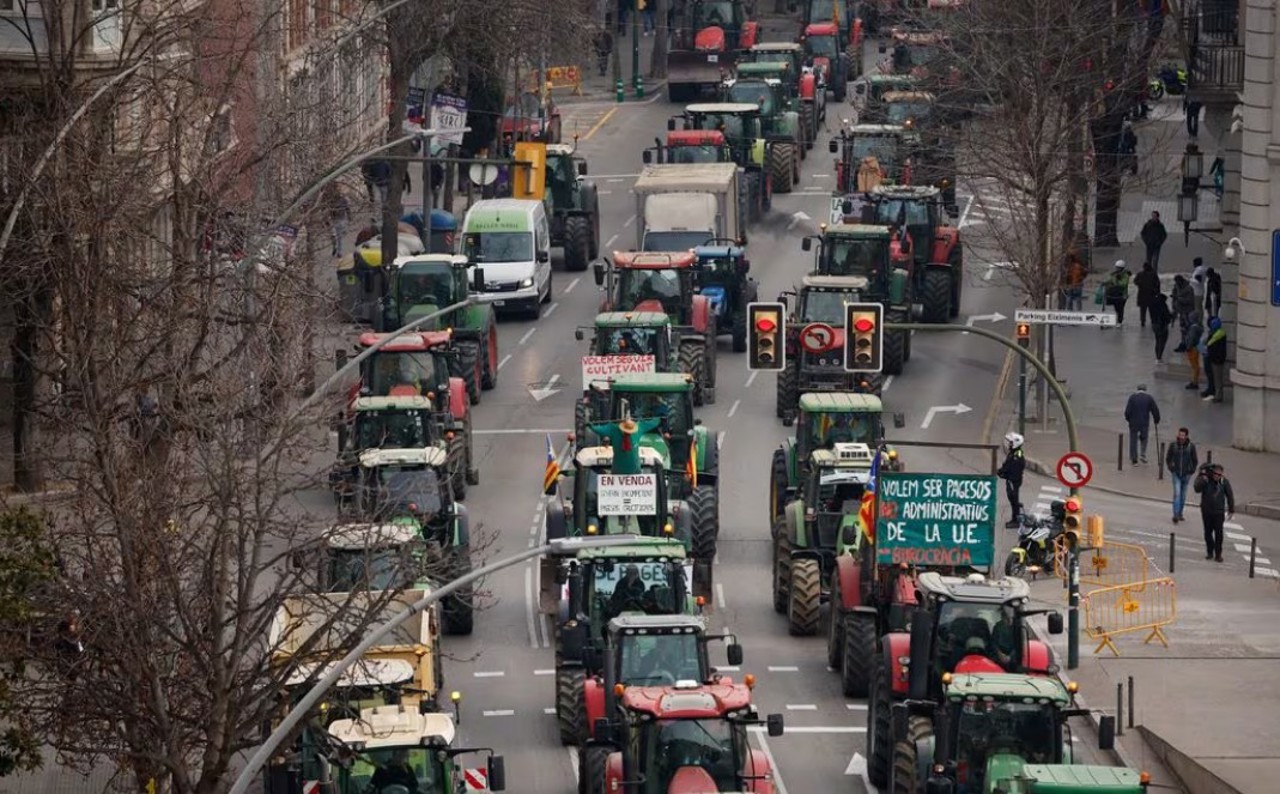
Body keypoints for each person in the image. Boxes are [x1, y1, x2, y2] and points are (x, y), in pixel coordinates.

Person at [1193, 463, 1234, 562]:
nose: (1217, 476)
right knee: (1208, 532)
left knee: (1219, 533)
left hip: (1219, 512)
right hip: (1207, 511)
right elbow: (1197, 489)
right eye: (1215, 474)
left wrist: (1231, 509)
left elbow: (1229, 495)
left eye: (1219, 475)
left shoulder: (1224, 482)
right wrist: (1201, 477)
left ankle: (1218, 554)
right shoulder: (1206, 480)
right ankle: (1210, 552)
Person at [1165, 427, 1199, 524]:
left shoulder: (1191, 447)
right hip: (1176, 473)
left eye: (1183, 435)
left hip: (1186, 474)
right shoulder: (1173, 445)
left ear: (1186, 436)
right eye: (1180, 435)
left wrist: (1191, 471)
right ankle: (1175, 514)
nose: (1181, 437)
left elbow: (1195, 460)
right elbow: (1168, 458)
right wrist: (1171, 467)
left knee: (1183, 495)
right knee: (1177, 493)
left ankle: (1180, 513)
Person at [1123, 384, 1161, 465]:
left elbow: (1127, 411)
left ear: (1138, 389)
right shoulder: (1149, 398)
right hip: (1144, 422)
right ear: (1145, 389)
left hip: (1133, 422)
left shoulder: (1132, 397)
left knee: (1133, 439)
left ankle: (1134, 459)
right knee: (1144, 438)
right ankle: (1143, 454)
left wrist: (1128, 419)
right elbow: (1155, 410)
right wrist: (1156, 419)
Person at [997, 432, 1025, 528]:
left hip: (1013, 481)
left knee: (1013, 499)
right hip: (1011, 480)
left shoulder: (1017, 456)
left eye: (1010, 442)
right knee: (1012, 498)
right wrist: (1001, 471)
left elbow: (1012, 469)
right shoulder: (1013, 453)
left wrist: (1004, 474)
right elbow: (1007, 465)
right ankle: (1016, 513)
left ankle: (1016, 520)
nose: (1009, 444)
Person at [1203, 316, 1228, 403]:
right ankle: (1216, 394)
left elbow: (1209, 343)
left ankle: (1218, 396)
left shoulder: (1218, 334)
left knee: (1218, 379)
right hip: (1216, 358)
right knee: (1216, 378)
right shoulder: (1218, 332)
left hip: (1217, 359)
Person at [1171, 275, 1196, 349]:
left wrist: (1178, 298)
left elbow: (1190, 300)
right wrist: (1174, 310)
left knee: (1188, 328)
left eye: (1177, 282)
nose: (1176, 284)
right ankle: (1183, 343)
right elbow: (1174, 300)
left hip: (1188, 311)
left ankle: (1189, 344)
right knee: (1182, 328)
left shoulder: (1189, 289)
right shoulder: (1176, 288)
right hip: (1181, 311)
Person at [1104, 260, 1131, 325]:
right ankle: (1117, 318)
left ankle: (1120, 321)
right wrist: (1104, 283)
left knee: (1120, 308)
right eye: (1116, 267)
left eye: (1118, 268)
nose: (1117, 269)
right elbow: (1110, 280)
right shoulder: (1114, 274)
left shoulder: (1125, 275)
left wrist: (1116, 281)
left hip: (1122, 295)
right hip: (1114, 294)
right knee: (1116, 308)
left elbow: (1123, 284)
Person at [326, 185, 350, 257]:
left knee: (339, 236)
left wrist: (349, 216)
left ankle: (339, 251)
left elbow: (347, 208)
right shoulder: (330, 200)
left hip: (341, 219)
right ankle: (335, 247)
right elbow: (326, 210)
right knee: (334, 236)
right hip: (333, 219)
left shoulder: (343, 199)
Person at [1133, 262, 1159, 328]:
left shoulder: (1141, 274)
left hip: (1144, 294)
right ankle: (1151, 321)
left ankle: (1143, 321)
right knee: (1151, 309)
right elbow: (1158, 284)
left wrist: (1140, 283)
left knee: (1144, 309)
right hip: (1150, 294)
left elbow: (1135, 281)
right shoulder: (1153, 274)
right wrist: (1157, 292)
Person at [1150, 291, 1172, 362]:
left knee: (1157, 341)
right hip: (1162, 325)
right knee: (1162, 342)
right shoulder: (1163, 306)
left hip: (1154, 325)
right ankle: (1159, 358)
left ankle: (1157, 357)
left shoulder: (1153, 305)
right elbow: (1166, 316)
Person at [1184, 315, 1204, 392]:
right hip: (1196, 347)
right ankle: (1194, 381)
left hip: (1192, 348)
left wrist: (1188, 347)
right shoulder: (1198, 327)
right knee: (1196, 365)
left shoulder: (1193, 328)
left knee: (1194, 366)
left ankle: (1194, 382)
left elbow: (1191, 338)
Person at [1190, 257, 1208, 324]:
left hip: (1196, 292)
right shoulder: (1203, 269)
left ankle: (1198, 321)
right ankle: (1200, 320)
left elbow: (1199, 281)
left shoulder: (1198, 270)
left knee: (1197, 307)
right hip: (1201, 291)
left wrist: (1190, 280)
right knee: (1200, 307)